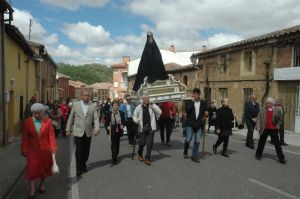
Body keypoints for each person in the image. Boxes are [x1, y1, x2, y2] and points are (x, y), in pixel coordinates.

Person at [21, 103, 57, 198]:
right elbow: (25, 137)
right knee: (31, 169)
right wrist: (24, 149)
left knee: (44, 168)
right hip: (32, 150)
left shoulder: (48, 121)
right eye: (34, 113)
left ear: (42, 112)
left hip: (45, 150)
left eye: (38, 113)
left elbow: (51, 135)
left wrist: (53, 147)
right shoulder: (27, 122)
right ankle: (32, 189)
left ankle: (42, 184)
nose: (36, 115)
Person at [66, 89, 100, 177]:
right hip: (77, 131)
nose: (86, 97)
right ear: (82, 96)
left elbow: (96, 118)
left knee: (86, 151)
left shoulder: (93, 106)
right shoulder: (76, 105)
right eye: (85, 95)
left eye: (88, 96)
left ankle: (83, 164)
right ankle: (78, 168)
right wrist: (68, 129)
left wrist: (96, 128)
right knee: (79, 150)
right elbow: (71, 117)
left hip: (88, 132)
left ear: (90, 97)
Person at [255, 97, 287, 164]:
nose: (267, 104)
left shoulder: (277, 109)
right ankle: (258, 155)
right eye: (266, 103)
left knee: (277, 145)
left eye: (268, 103)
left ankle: (281, 158)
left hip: (273, 129)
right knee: (261, 143)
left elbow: (280, 120)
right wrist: (258, 126)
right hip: (265, 129)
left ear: (272, 104)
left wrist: (277, 127)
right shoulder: (262, 109)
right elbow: (258, 118)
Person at [133, 95, 162, 165]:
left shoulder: (152, 106)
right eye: (145, 98)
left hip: (151, 127)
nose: (146, 99)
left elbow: (160, 112)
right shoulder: (139, 107)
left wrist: (153, 104)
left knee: (150, 144)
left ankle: (147, 159)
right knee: (142, 143)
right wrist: (136, 120)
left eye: (148, 98)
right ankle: (140, 153)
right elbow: (134, 116)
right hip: (142, 127)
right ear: (142, 99)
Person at [183, 88, 208, 163]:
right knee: (188, 139)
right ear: (193, 95)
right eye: (195, 94)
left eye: (197, 94)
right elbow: (187, 110)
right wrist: (192, 102)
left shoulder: (203, 103)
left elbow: (206, 111)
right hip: (190, 124)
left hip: (198, 124)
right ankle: (185, 151)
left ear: (199, 95)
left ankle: (194, 155)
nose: (196, 96)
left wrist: (206, 113)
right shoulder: (189, 102)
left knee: (197, 140)